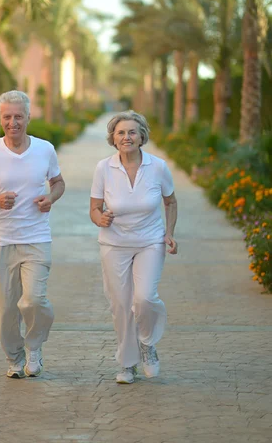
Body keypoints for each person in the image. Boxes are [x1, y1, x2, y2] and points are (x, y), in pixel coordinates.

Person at [0, 90, 65, 379]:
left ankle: (34, 347)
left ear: (29, 117)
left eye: (18, 116)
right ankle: (15, 359)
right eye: (7, 117)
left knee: (33, 300)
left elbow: (58, 182)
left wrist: (51, 198)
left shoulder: (45, 149)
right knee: (4, 309)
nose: (13, 122)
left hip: (36, 238)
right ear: (0, 119)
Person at [90, 111, 178, 385]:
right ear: (113, 139)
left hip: (150, 241)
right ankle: (127, 364)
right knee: (120, 304)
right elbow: (94, 209)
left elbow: (170, 202)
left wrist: (170, 233)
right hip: (114, 244)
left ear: (141, 137)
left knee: (144, 299)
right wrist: (100, 218)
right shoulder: (104, 168)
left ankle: (147, 344)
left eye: (131, 132)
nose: (126, 137)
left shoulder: (158, 167)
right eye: (120, 133)